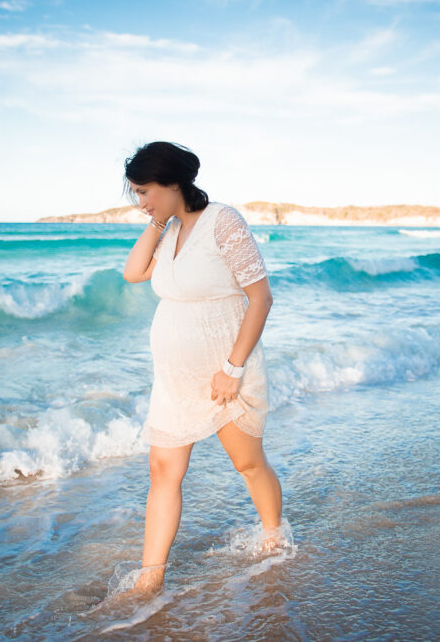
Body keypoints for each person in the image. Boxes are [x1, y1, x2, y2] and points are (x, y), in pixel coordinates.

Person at [120, 141, 283, 594]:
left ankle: (274, 536)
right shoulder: (168, 229)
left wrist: (232, 368)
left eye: (145, 191)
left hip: (225, 374)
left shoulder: (223, 221)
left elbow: (260, 297)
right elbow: (133, 272)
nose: (140, 202)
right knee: (162, 472)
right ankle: (150, 579)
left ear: (173, 182)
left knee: (248, 464)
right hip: (174, 382)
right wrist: (157, 219)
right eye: (135, 193)